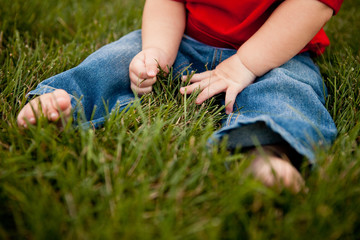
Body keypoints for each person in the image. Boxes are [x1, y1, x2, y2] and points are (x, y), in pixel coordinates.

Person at [17, 0, 343, 192]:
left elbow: (309, 6)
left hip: (277, 53)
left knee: (288, 87)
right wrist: (157, 52)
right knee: (120, 57)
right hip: (187, 38)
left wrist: (243, 65)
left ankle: (262, 148)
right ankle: (66, 100)